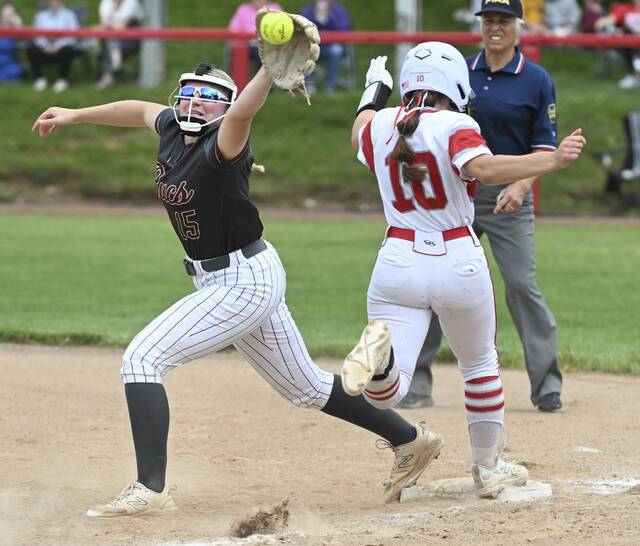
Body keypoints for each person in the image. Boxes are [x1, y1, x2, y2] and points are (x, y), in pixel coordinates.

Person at [32, 53, 445, 514]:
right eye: (190, 91)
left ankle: (150, 489)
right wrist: (75, 114)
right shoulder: (172, 128)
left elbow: (245, 110)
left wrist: (269, 70)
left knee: (142, 359)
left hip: (243, 280)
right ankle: (411, 440)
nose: (196, 102)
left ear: (226, 108)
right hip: (230, 278)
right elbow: (137, 109)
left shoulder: (225, 143)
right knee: (305, 386)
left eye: (211, 97)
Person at [344, 37, 585, 495]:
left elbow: (360, 127)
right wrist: (551, 160)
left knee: (389, 391)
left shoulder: (379, 126)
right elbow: (486, 170)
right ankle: (488, 467)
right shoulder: (455, 123)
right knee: (479, 365)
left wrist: (373, 90)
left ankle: (382, 361)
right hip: (456, 258)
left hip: (397, 259)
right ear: (454, 83)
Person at [398, 0, 568, 415]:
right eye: (489, 20)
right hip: (455, 194)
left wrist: (522, 184)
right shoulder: (460, 72)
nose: (495, 27)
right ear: (481, 26)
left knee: (521, 286)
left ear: (517, 27)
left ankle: (547, 388)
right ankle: (416, 384)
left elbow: (544, 145)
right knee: (435, 282)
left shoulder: (536, 79)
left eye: (503, 20)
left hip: (509, 197)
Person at [300, 0, 351, 95]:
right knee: (303, 50)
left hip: (331, 47)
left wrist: (329, 17)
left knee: (336, 50)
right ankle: (309, 85)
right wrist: (315, 17)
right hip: (313, 48)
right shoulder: (308, 11)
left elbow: (344, 30)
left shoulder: (339, 11)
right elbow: (302, 30)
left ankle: (330, 87)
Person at [26, 0, 79, 93]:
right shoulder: (40, 16)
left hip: (62, 48)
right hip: (44, 48)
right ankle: (40, 79)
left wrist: (58, 45)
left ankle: (63, 79)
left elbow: (73, 35)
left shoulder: (69, 15)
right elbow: (36, 35)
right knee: (31, 49)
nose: (54, 2)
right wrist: (44, 45)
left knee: (69, 50)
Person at [96, 0, 145, 90]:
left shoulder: (132, 2)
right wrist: (114, 8)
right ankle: (115, 64)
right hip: (114, 39)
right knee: (110, 39)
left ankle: (108, 76)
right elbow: (104, 22)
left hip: (132, 40)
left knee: (110, 41)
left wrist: (109, 24)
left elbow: (120, 27)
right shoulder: (106, 2)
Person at [227, 0, 283, 76]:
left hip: (267, 46)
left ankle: (262, 83)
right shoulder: (243, 9)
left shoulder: (275, 9)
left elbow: (280, 31)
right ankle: (235, 82)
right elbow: (233, 30)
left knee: (261, 55)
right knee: (238, 50)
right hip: (246, 44)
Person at [593, 0, 640, 89]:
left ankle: (635, 70)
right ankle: (633, 74)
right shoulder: (625, 9)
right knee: (625, 33)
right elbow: (603, 22)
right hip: (629, 43)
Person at [0, 2, 23, 82]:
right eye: (5, 13)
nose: (7, 16)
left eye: (10, 14)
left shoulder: (15, 30)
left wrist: (18, 26)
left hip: (9, 63)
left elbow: (25, 43)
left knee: (17, 70)